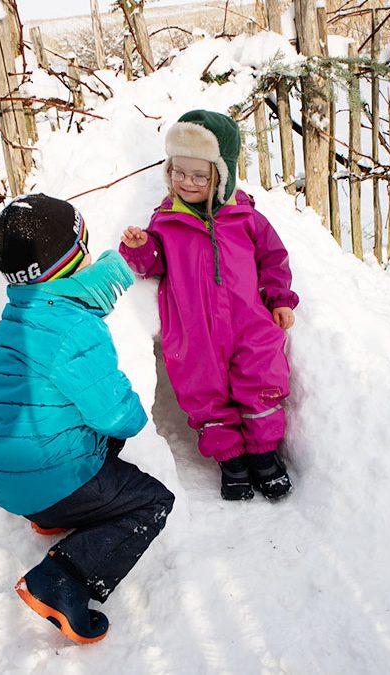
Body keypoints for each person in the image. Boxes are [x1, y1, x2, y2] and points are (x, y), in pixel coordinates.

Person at [0, 193, 174, 645]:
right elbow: (116, 414)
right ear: (71, 261)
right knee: (151, 502)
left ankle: (50, 514)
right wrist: (138, 415)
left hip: (1, 469)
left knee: (78, 433)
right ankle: (62, 580)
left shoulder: (21, 310)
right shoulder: (75, 328)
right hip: (44, 476)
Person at [119, 109, 299, 502]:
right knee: (204, 391)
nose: (186, 182)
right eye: (178, 172)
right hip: (194, 329)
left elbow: (273, 259)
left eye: (199, 176)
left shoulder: (245, 216)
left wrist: (280, 299)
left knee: (261, 380)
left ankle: (264, 455)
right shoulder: (166, 220)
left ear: (222, 176)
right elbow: (156, 264)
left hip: (249, 321)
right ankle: (231, 460)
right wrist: (139, 249)